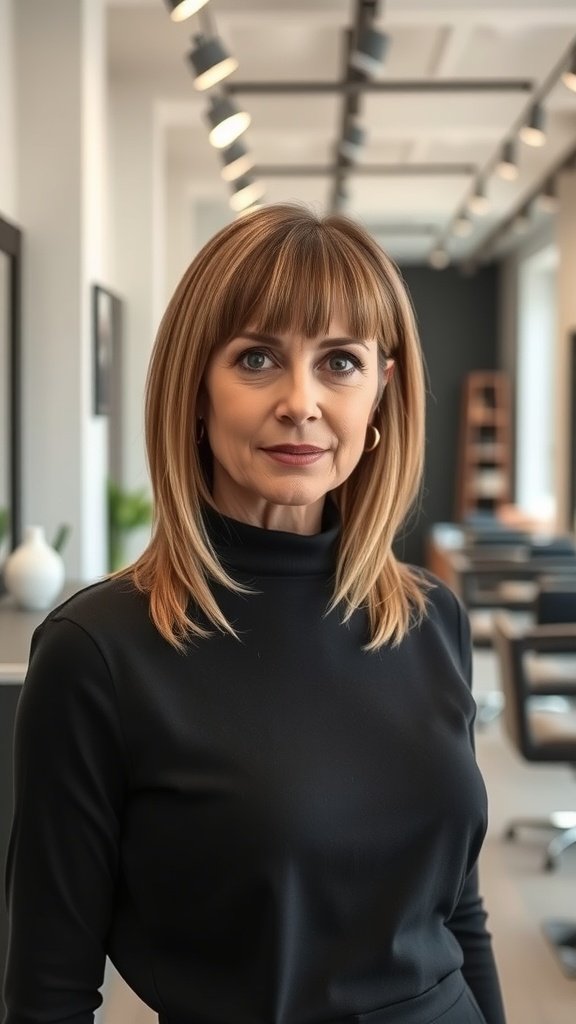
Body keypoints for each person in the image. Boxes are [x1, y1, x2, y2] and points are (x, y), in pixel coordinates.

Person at [3, 203, 506, 1024]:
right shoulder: (99, 652)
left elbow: (459, 917)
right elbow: (50, 992)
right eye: (259, 357)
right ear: (195, 388)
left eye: (340, 362)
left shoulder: (429, 619)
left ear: (381, 393)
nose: (302, 401)